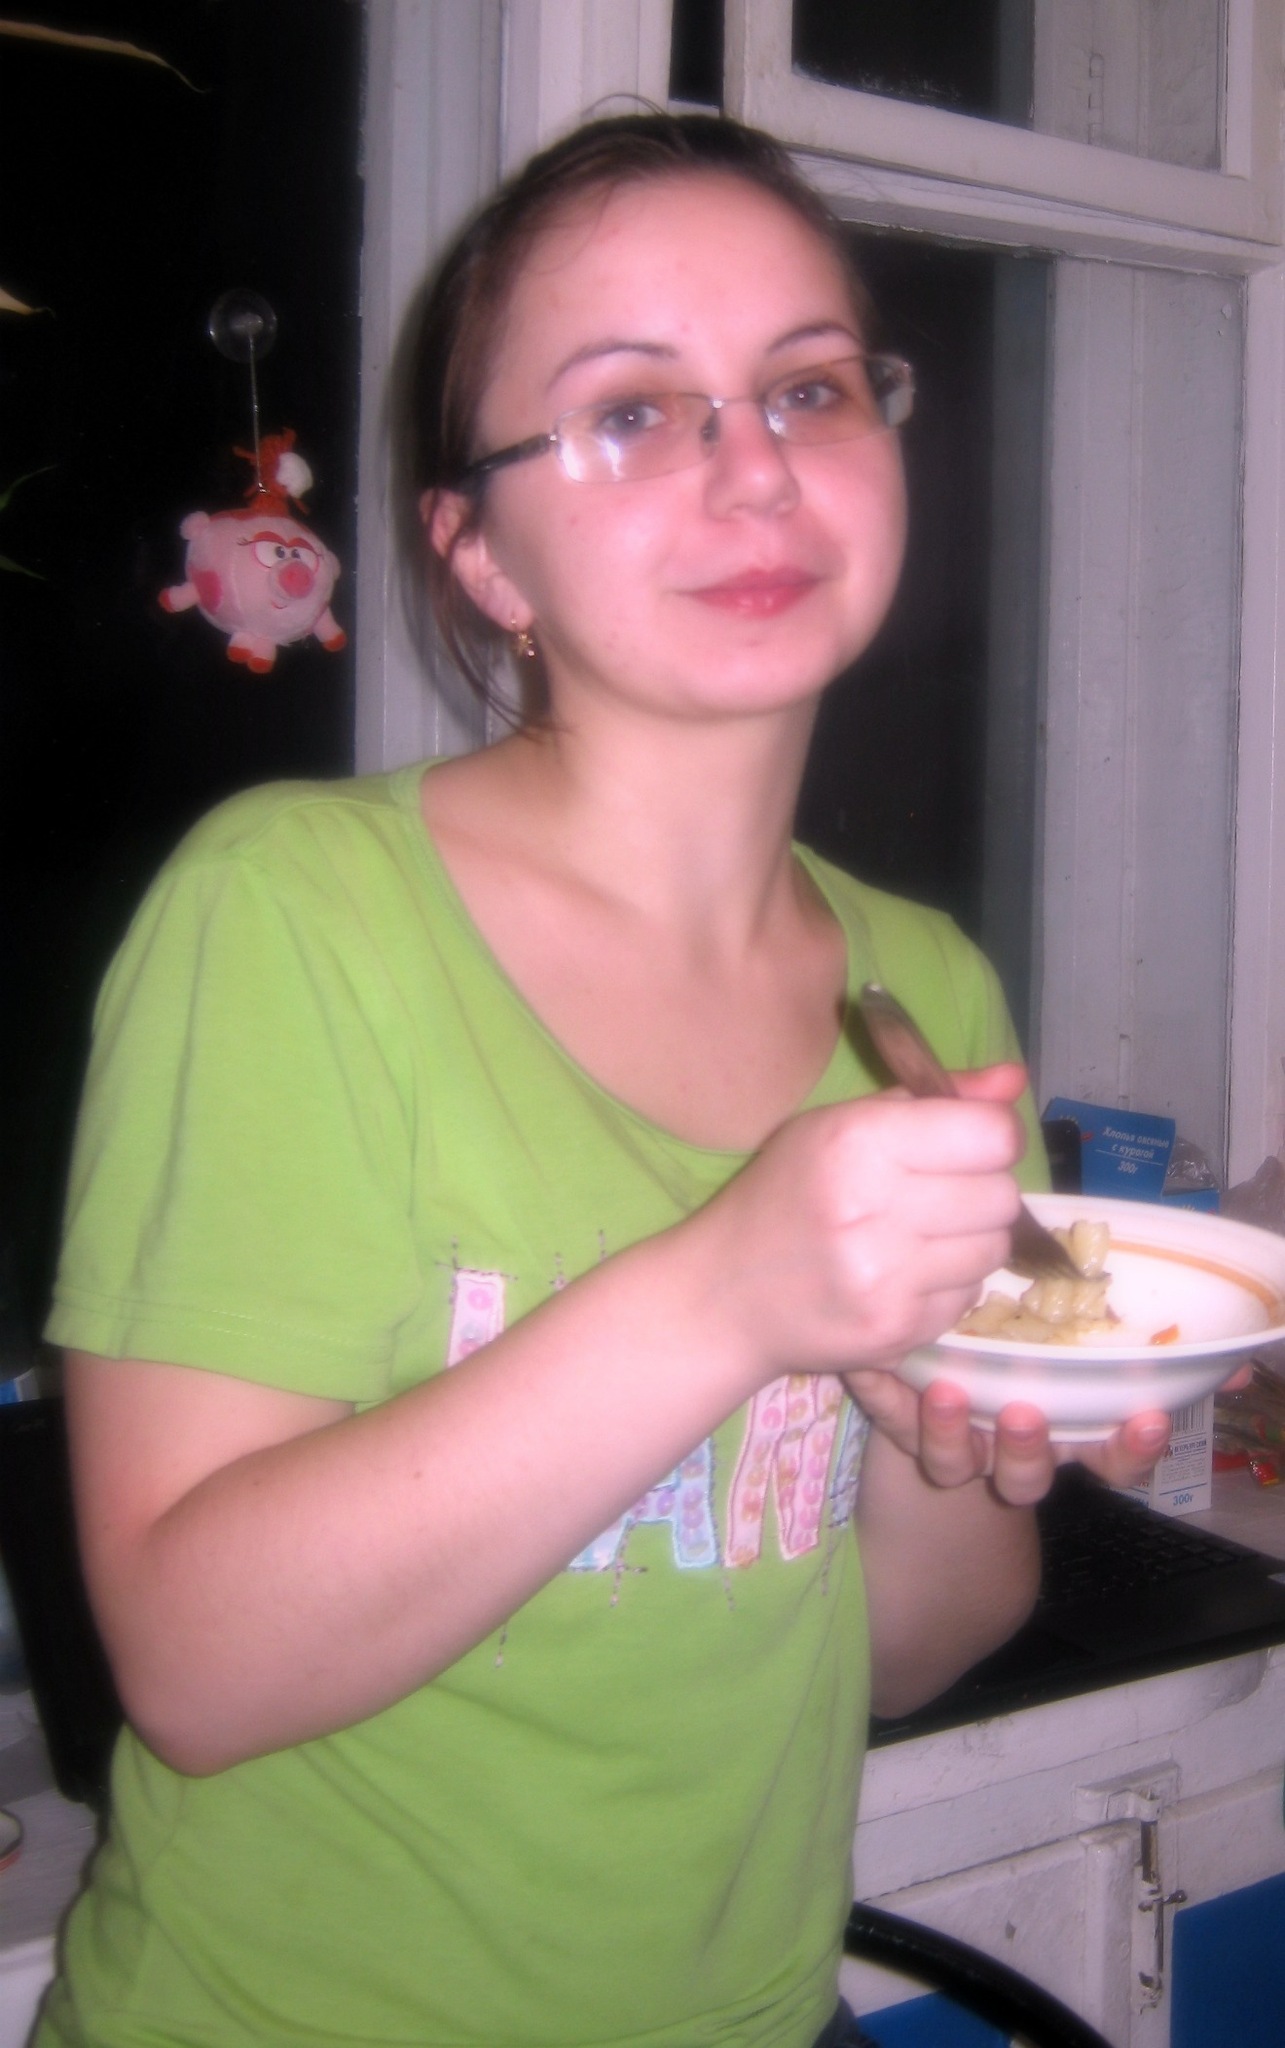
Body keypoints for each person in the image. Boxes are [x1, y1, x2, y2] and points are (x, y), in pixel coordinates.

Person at [38, 111, 1172, 2048]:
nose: (755, 467)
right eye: (632, 412)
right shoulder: (298, 914)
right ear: (478, 552)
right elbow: (197, 1672)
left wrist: (944, 1425)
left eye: (808, 387)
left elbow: (914, 1646)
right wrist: (728, 1292)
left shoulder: (919, 982)